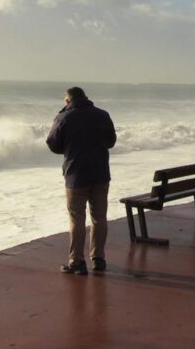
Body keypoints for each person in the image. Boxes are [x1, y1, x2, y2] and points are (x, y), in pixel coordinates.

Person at [47, 87, 116, 275]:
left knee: (77, 218)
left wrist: (69, 147)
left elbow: (52, 143)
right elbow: (111, 142)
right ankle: (99, 258)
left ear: (68, 100)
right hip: (101, 173)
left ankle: (77, 261)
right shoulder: (102, 115)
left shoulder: (64, 117)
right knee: (99, 217)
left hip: (76, 174)